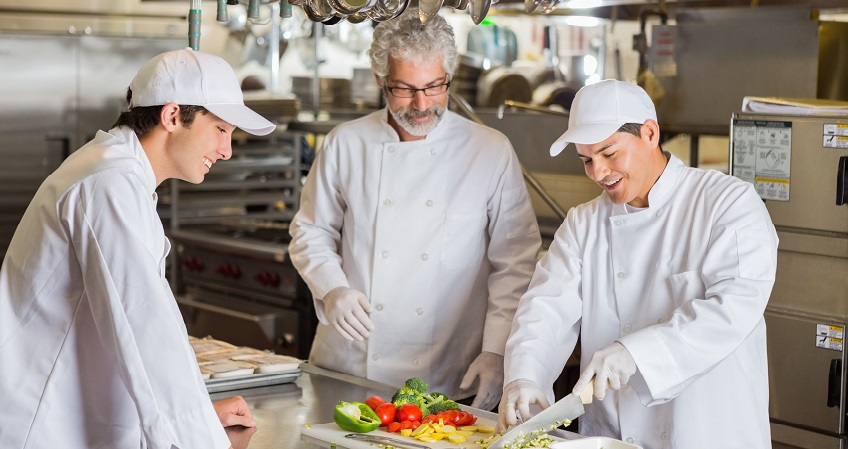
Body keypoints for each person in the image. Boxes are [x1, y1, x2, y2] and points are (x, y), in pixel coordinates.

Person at [0, 48, 276, 449]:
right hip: (40, 425)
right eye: (220, 129)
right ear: (171, 115)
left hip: (66, 416)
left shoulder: (116, 171)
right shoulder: (109, 184)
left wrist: (197, 413)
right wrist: (197, 436)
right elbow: (144, 329)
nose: (227, 150)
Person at [498, 79, 778, 448]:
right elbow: (545, 309)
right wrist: (524, 375)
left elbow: (733, 309)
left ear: (649, 133)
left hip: (706, 430)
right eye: (586, 160)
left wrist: (637, 354)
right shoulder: (584, 222)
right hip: (610, 434)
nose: (598, 172)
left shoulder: (726, 203)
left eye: (609, 154)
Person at [288, 9, 540, 411]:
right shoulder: (345, 144)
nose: (422, 104)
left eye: (435, 86)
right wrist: (331, 287)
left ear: (449, 78)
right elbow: (310, 231)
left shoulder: (489, 150)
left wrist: (496, 352)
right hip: (351, 365)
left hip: (446, 369)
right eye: (404, 89)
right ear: (379, 81)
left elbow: (515, 262)